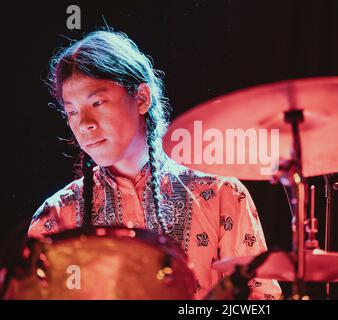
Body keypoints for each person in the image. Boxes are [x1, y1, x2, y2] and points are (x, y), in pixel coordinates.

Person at [28, 29, 281, 300]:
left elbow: (262, 299)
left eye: (97, 102)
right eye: (72, 112)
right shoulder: (55, 217)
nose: (84, 124)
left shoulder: (223, 196)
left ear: (141, 98)